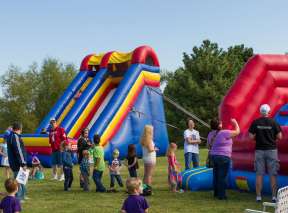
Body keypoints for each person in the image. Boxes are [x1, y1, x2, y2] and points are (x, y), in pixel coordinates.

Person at [248, 104, 282, 203]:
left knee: (259, 174)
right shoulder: (273, 122)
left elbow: (250, 136)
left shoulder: (255, 122)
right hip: (272, 150)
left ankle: (258, 196)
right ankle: (274, 197)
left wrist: (257, 138)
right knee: (273, 174)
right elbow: (280, 136)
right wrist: (272, 138)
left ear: (260, 112)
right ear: (269, 112)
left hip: (259, 150)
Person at [208, 118, 240, 200]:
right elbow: (237, 132)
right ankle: (222, 195)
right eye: (221, 123)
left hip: (213, 156)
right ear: (219, 125)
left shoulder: (210, 134)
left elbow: (208, 146)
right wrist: (235, 123)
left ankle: (216, 193)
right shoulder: (224, 133)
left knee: (216, 175)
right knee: (223, 176)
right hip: (224, 156)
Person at [7, 122, 28, 202]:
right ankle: (18, 198)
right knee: (18, 180)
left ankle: (23, 195)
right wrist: (23, 163)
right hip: (17, 163)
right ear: (20, 128)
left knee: (22, 179)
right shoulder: (15, 136)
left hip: (16, 162)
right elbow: (18, 151)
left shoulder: (13, 136)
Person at [141, 125, 157, 195]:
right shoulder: (149, 140)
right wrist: (155, 149)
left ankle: (144, 189)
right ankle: (148, 190)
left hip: (146, 158)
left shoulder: (144, 139)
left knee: (146, 174)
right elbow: (150, 150)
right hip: (150, 159)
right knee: (149, 175)